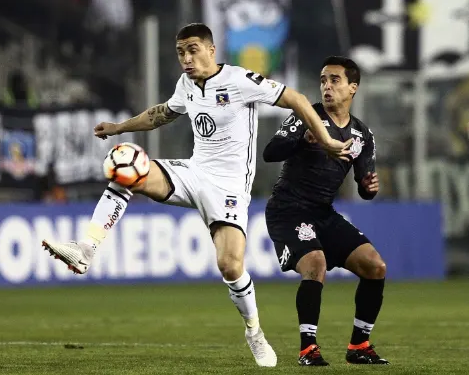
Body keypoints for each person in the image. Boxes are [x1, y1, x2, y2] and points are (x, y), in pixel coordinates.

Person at [42, 24, 350, 367]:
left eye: (192, 50)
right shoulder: (185, 85)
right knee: (124, 165)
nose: (186, 59)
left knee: (230, 266)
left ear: (211, 50)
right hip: (194, 172)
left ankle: (254, 331)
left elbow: (295, 99)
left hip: (230, 188)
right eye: (180, 53)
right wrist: (118, 128)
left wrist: (325, 140)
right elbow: (162, 113)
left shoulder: (238, 80)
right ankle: (86, 249)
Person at [263, 56, 389, 366]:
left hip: (323, 213)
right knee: (315, 263)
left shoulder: (362, 136)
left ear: (352, 87)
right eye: (323, 80)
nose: (327, 86)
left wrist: (369, 188)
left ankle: (359, 346)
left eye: (334, 80)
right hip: (288, 210)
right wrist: (300, 142)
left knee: (375, 267)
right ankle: (308, 349)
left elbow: (363, 185)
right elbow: (270, 152)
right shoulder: (307, 117)